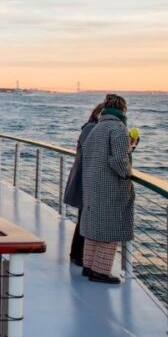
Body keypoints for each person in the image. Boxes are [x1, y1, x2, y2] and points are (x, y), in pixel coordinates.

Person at [80, 94, 136, 284]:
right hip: (110, 187)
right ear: (122, 110)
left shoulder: (98, 127)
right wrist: (127, 173)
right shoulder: (118, 128)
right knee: (109, 228)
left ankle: (88, 267)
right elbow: (118, 160)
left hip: (92, 183)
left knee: (94, 226)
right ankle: (100, 271)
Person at [63, 103, 104, 267]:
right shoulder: (91, 129)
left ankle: (79, 255)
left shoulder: (91, 128)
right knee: (83, 218)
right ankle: (77, 255)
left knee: (84, 217)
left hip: (84, 178)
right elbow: (92, 153)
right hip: (83, 179)